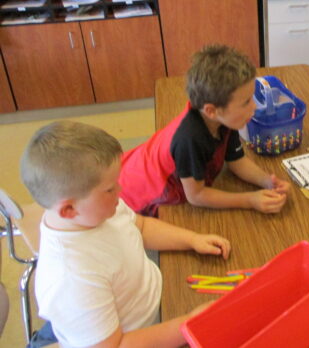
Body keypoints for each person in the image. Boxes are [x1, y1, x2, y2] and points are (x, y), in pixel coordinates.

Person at [20, 121, 231, 348]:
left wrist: (191, 239)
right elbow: (115, 345)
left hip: (141, 310)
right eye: (110, 189)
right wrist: (188, 324)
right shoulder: (71, 279)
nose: (120, 191)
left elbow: (140, 226)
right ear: (68, 209)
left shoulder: (96, 210)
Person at [119, 44, 291, 217]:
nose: (254, 106)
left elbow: (236, 160)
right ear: (211, 110)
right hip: (133, 197)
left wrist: (267, 181)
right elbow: (196, 195)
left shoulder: (224, 119)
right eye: (246, 102)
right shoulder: (189, 139)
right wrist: (249, 200)